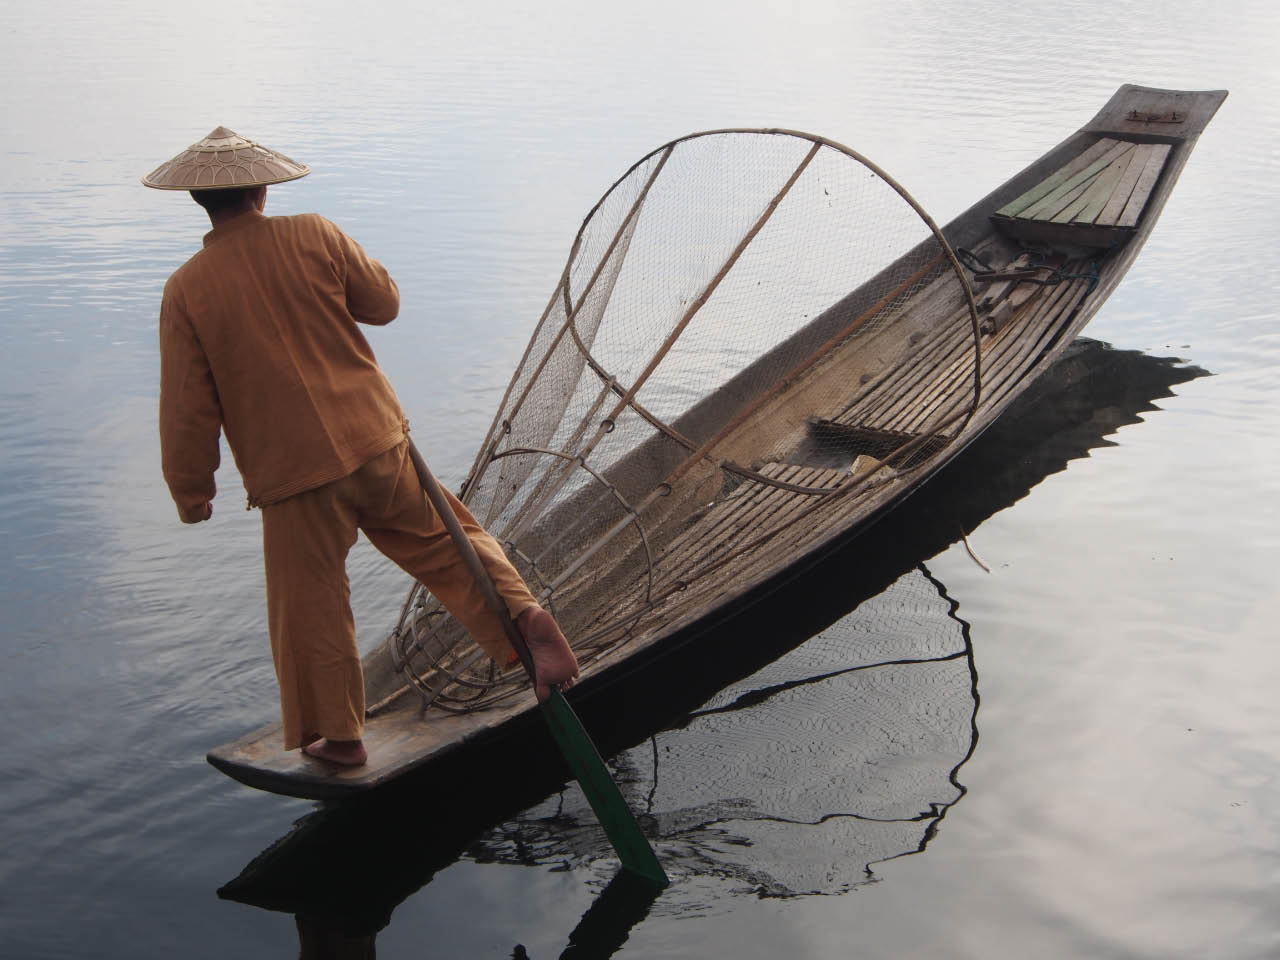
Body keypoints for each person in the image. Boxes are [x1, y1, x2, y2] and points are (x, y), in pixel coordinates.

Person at [143, 127, 579, 767]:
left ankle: (341, 737)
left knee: (312, 601)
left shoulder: (187, 288)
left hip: (294, 475)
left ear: (199, 202)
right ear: (263, 190)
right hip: (375, 438)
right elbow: (383, 305)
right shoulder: (316, 232)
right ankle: (527, 621)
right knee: (445, 539)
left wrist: (193, 490)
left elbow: (187, 404)